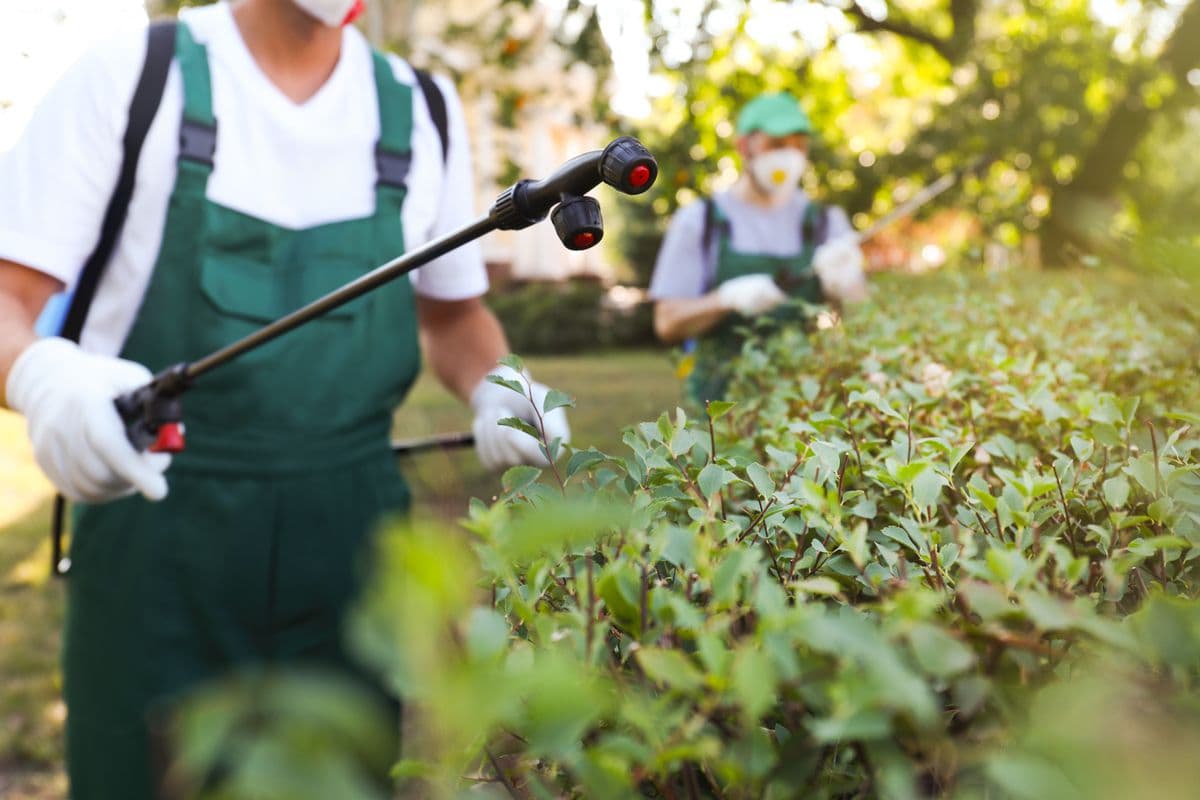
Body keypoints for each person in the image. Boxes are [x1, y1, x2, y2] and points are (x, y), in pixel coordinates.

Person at [0, 0, 569, 796]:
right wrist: (40, 376)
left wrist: (502, 387)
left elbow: (452, 315)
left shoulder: (423, 108)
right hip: (157, 532)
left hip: (350, 544)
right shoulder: (134, 77)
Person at [649, 91, 868, 404]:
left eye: (799, 146)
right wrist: (726, 299)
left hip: (806, 406)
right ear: (744, 147)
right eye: (777, 145)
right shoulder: (701, 220)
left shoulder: (826, 222)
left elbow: (864, 321)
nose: (790, 156)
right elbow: (666, 323)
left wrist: (846, 284)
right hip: (722, 409)